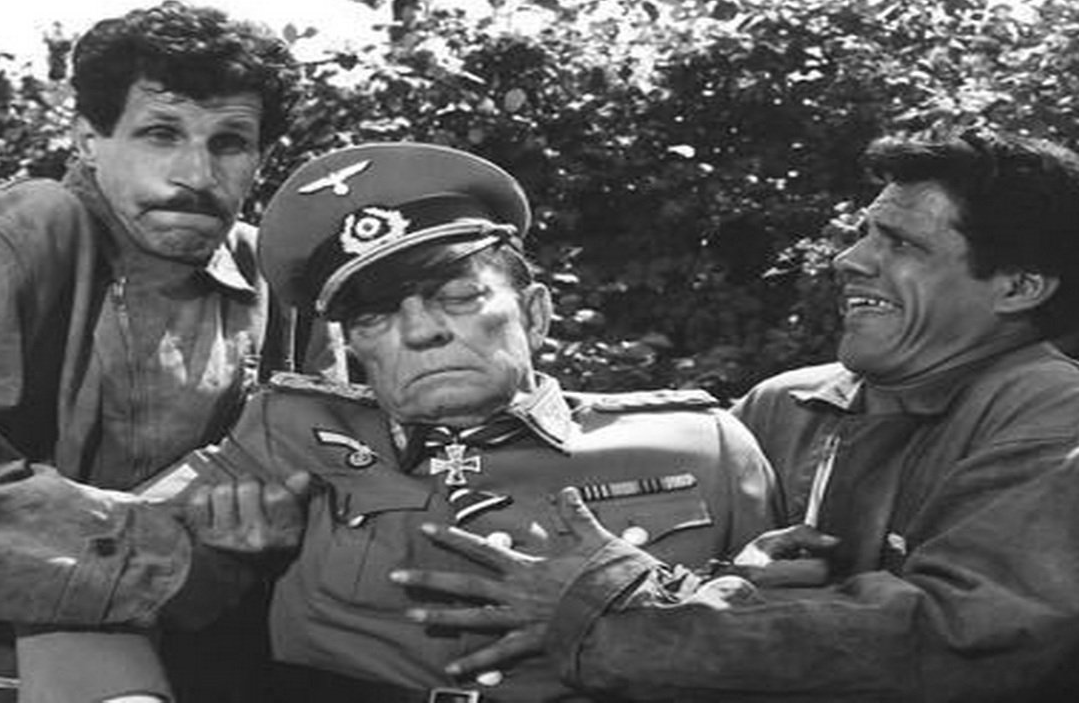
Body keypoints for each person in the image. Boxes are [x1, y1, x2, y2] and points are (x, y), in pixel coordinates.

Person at [393, 128, 1079, 702]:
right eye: (864, 232)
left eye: (900, 242)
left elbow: (964, 640)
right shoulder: (786, 403)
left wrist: (609, 615)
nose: (850, 259)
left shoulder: (1063, 419)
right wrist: (730, 577)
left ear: (1019, 287)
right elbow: (704, 586)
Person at [163, 141, 779, 702]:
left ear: (534, 316)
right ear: (356, 348)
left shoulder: (704, 446)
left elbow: (779, 651)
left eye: (458, 297)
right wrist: (224, 563)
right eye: (375, 317)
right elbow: (138, 564)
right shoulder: (290, 430)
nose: (420, 331)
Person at [0, 0, 306, 703]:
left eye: (230, 142)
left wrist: (279, 516)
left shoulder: (273, 276)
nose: (196, 174)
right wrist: (168, 561)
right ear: (88, 139)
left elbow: (330, 456)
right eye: (161, 133)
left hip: (209, 654)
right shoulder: (23, 231)